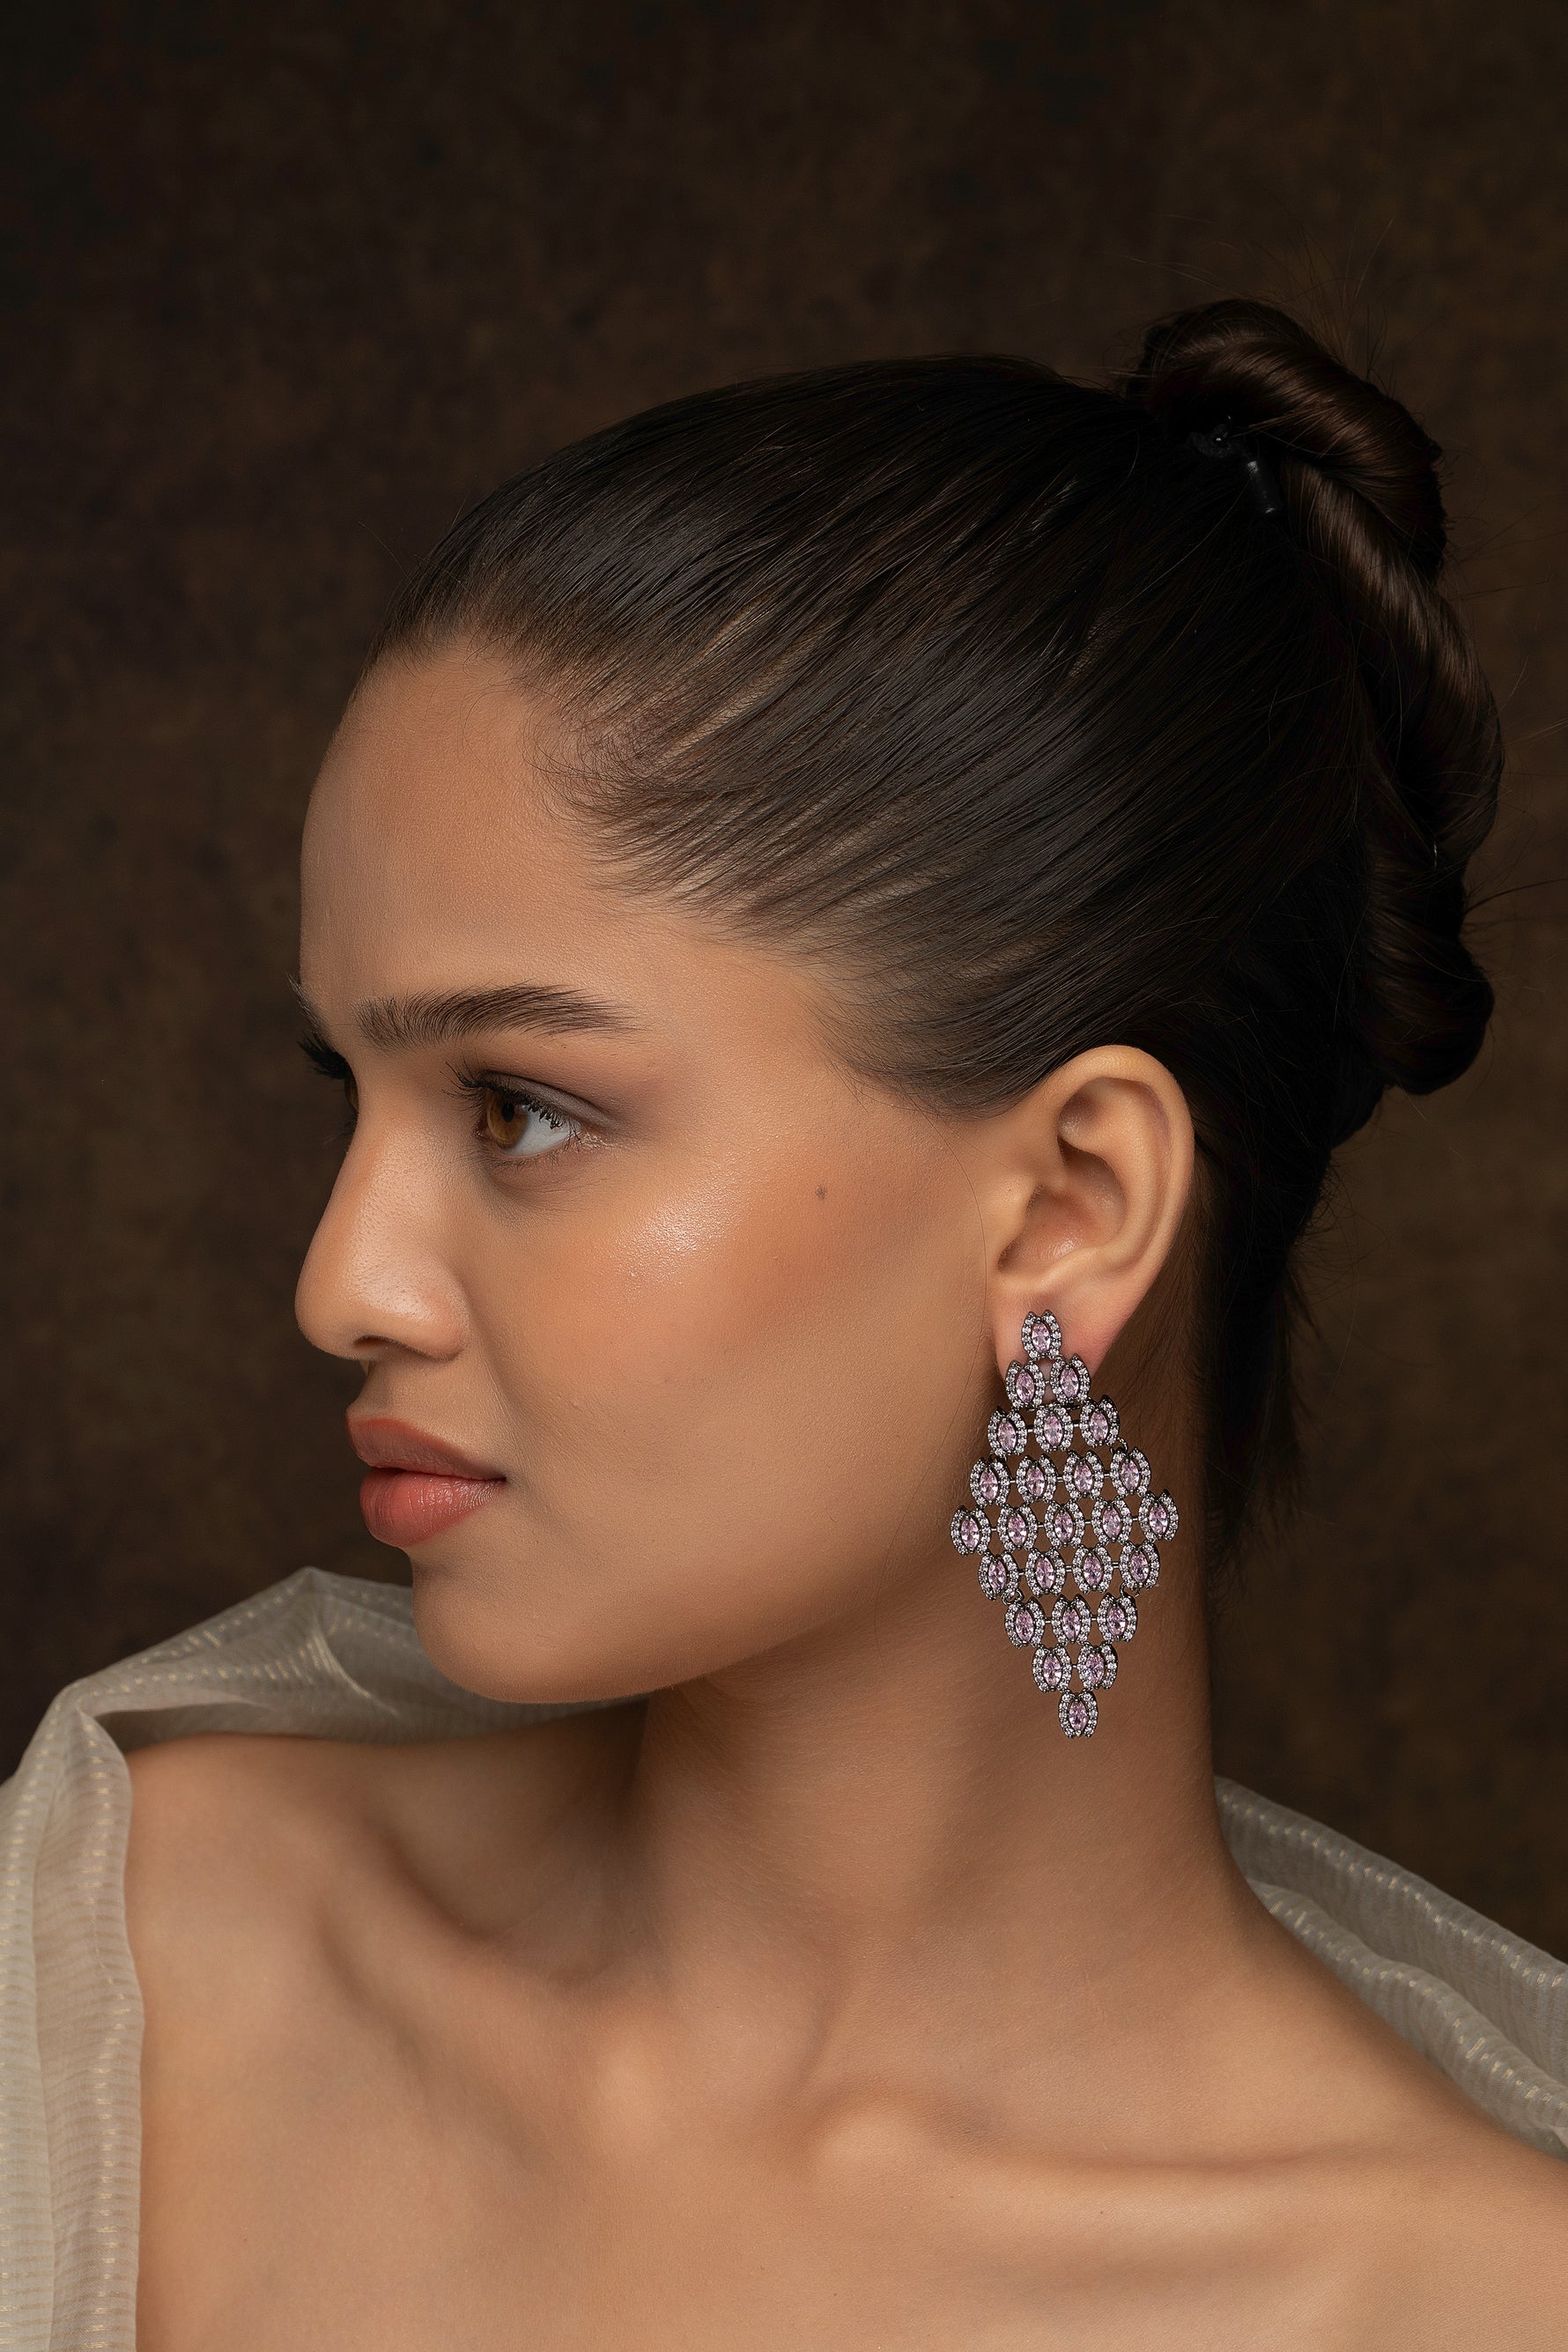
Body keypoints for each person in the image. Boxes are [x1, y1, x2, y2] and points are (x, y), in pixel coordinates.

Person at [4, 300, 1565, 2351]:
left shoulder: (1458, 2302)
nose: (338, 1284)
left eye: (518, 1107)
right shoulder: (142, 1959)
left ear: (1071, 1207)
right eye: (348, 1093)